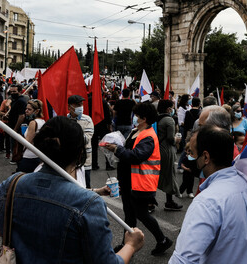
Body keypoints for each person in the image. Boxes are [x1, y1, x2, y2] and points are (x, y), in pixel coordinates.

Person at [0, 116, 145, 263]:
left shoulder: (15, 183)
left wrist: (7, 229)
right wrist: (130, 245)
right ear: (80, 153)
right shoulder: (89, 203)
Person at [169, 125, 247, 263]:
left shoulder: (207, 202)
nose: (189, 158)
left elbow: (183, 260)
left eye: (192, 153)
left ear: (205, 157)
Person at [105, 102, 173, 256]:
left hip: (140, 182)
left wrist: (117, 149)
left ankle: (162, 240)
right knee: (129, 213)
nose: (134, 118)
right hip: (129, 179)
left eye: (136, 115)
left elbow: (136, 156)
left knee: (141, 214)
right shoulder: (136, 131)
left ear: (143, 118)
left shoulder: (148, 136)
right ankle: (126, 244)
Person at [156, 99, 183, 211]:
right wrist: (177, 140)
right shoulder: (169, 120)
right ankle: (169, 201)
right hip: (166, 150)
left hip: (157, 149)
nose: (172, 110)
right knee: (169, 174)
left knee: (157, 174)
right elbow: (170, 138)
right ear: (168, 109)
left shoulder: (157, 118)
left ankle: (150, 201)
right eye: (171, 107)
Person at [67, 95, 94, 188]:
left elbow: (86, 139)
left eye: (81, 104)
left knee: (85, 188)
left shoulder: (87, 120)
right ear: (69, 107)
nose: (80, 107)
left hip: (84, 161)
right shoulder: (65, 120)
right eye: (77, 105)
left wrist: (73, 131)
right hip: (68, 162)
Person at [17, 99, 45, 173]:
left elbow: (27, 142)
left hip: (29, 156)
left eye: (29, 109)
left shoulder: (33, 123)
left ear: (36, 111)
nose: (26, 111)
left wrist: (18, 136)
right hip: (38, 156)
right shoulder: (42, 121)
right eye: (26, 108)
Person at [7, 83, 28, 164]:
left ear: (19, 91)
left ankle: (17, 159)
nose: (12, 93)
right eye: (11, 91)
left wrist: (15, 128)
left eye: (14, 91)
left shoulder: (21, 101)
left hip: (17, 128)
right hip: (12, 125)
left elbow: (21, 116)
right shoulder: (15, 100)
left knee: (17, 145)